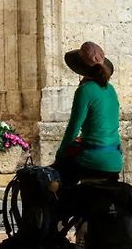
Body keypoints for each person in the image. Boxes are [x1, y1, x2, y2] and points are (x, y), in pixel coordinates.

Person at [53, 41, 123, 187]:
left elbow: (73, 127)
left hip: (93, 158)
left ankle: (66, 205)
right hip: (116, 159)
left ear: (80, 67)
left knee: (59, 176)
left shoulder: (84, 91)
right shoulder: (111, 89)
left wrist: (60, 154)